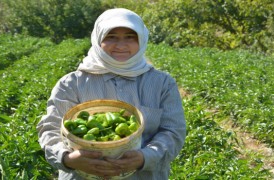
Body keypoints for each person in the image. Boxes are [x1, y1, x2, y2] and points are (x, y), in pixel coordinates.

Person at [37, 8, 186, 180]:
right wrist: (68, 159)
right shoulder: (71, 83)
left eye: (130, 37)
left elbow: (173, 131)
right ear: (98, 38)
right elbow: (50, 128)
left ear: (141, 39)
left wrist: (145, 157)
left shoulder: (162, 84)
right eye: (111, 37)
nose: (121, 45)